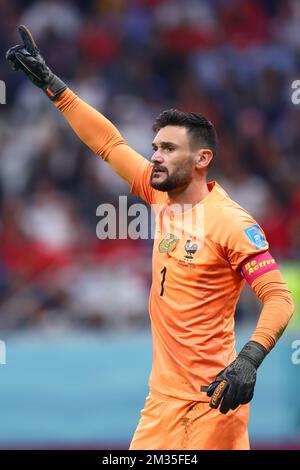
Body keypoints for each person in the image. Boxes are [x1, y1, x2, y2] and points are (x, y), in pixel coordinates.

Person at [6, 26, 294, 450]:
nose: (156, 155)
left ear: (202, 159)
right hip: (160, 406)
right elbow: (108, 143)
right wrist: (54, 87)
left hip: (209, 404)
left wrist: (249, 360)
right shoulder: (158, 193)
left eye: (169, 149)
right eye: (156, 146)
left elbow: (280, 297)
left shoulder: (231, 222)